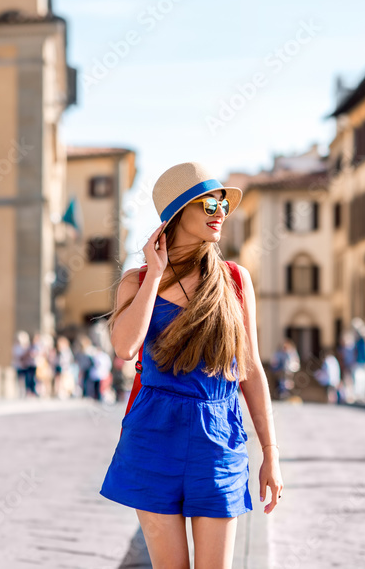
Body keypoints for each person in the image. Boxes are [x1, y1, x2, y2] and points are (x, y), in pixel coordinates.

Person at [99, 161, 282, 568]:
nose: (219, 213)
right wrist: (155, 274)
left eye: (222, 206)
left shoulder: (235, 280)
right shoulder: (137, 280)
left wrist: (270, 452)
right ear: (179, 214)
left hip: (218, 434)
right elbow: (126, 347)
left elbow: (249, 369)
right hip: (153, 434)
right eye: (208, 206)